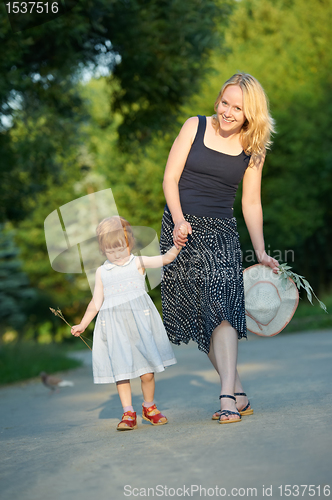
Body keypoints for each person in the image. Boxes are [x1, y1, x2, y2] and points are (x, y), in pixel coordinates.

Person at [160, 72, 279, 424]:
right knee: (203, 317)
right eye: (225, 102)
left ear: (249, 113)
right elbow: (170, 178)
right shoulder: (193, 126)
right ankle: (237, 390)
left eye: (237, 107)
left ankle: (227, 396)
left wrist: (259, 251)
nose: (227, 111)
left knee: (223, 306)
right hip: (181, 229)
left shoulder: (252, 149)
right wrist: (180, 221)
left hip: (221, 232)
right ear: (218, 100)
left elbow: (252, 203)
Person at [71, 216, 186, 431]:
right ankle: (128, 412)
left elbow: (165, 259)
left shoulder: (138, 262)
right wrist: (83, 324)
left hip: (140, 324)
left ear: (129, 242)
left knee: (147, 371)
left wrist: (177, 246)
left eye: (121, 248)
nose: (117, 254)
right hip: (115, 328)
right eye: (110, 251)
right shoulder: (102, 272)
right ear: (102, 250)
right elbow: (96, 302)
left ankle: (149, 407)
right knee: (121, 372)